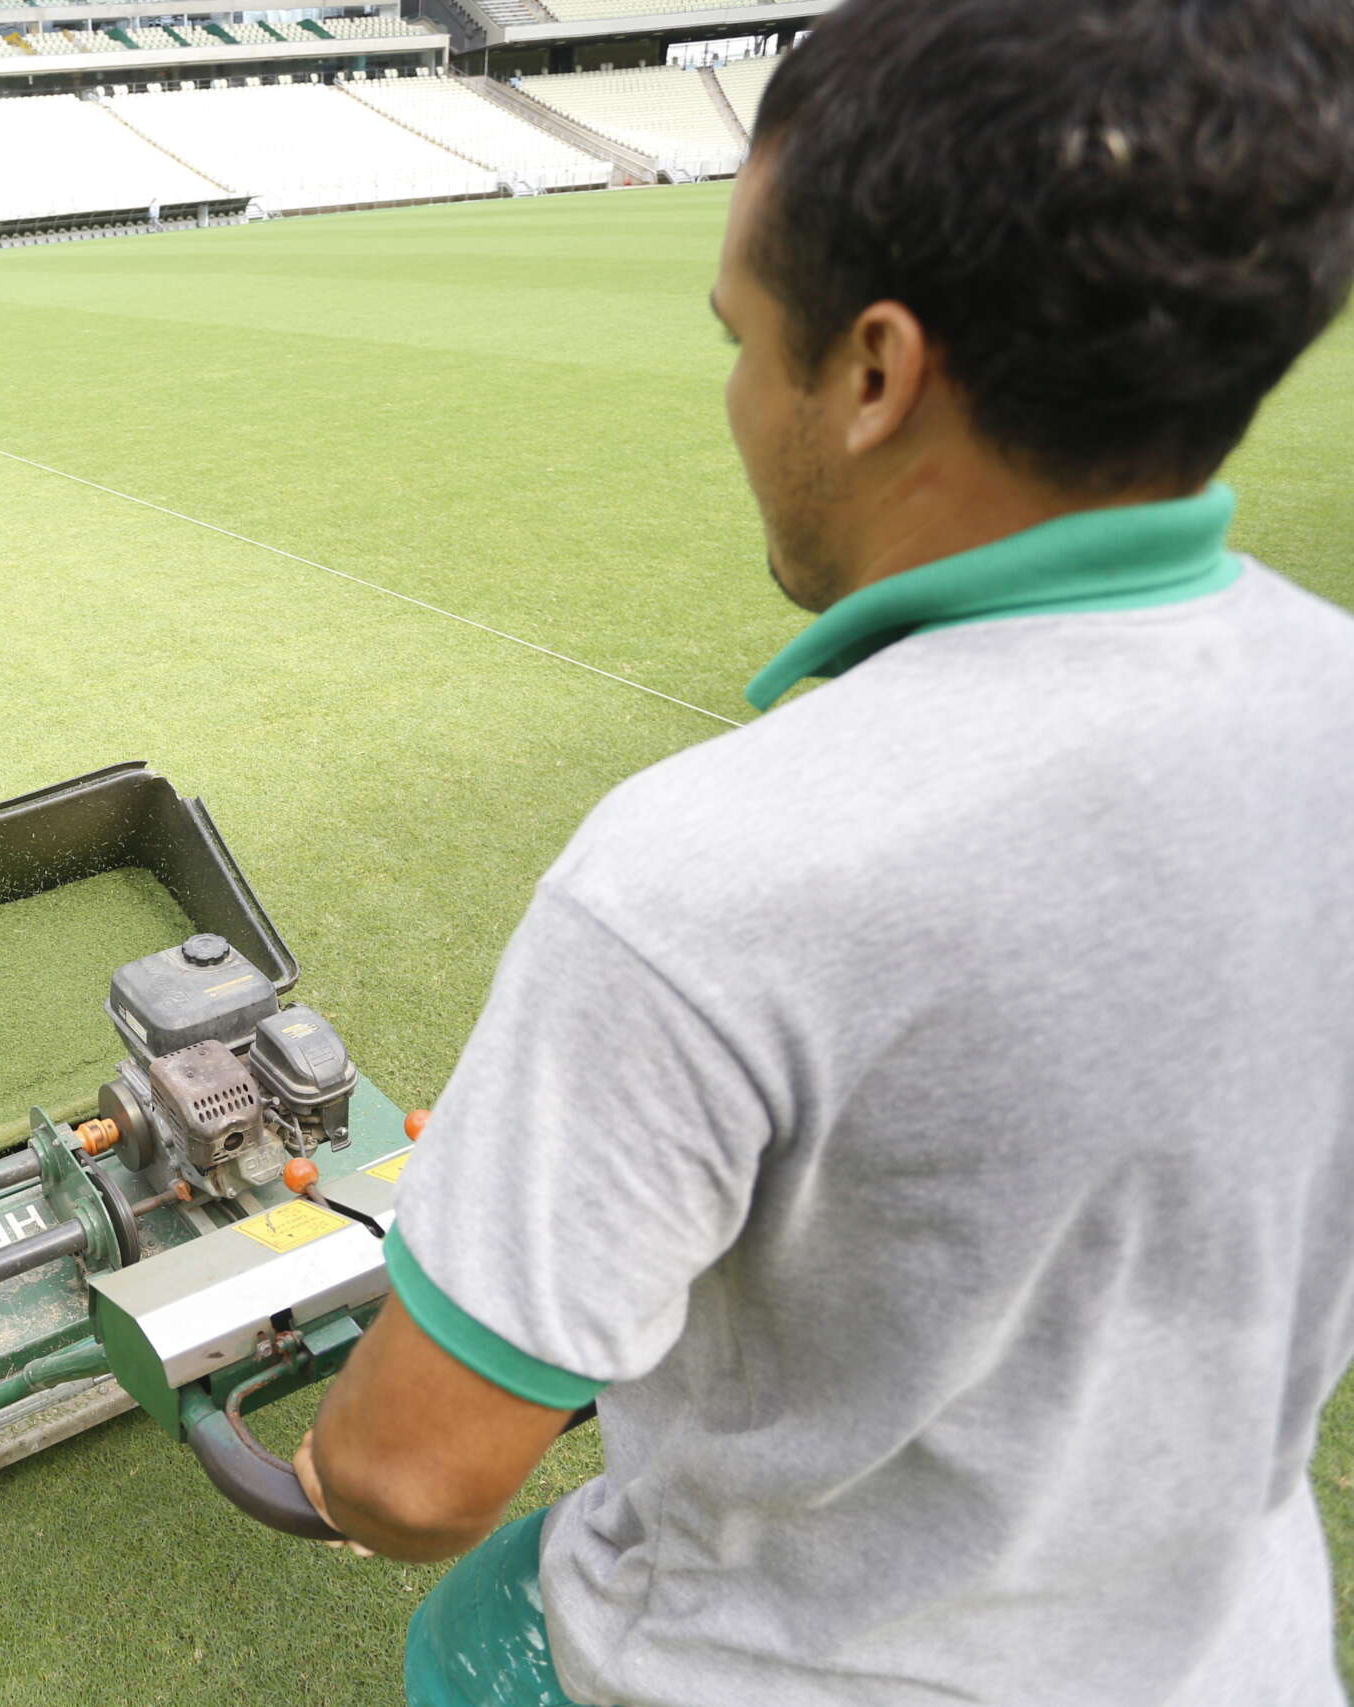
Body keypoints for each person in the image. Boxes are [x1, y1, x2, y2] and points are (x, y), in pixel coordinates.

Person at [293, 1, 1354, 1702]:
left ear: (873, 374)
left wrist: (375, 1412)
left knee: (463, 1637)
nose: (729, 395)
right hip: (1236, 1656)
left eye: (740, 335)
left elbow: (409, 1479)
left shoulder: (709, 879)